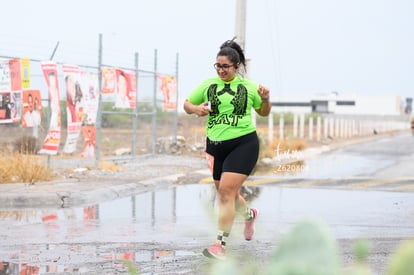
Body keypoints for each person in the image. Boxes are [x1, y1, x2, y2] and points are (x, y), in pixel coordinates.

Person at [183, 38, 271, 260]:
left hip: (243, 144)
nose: (221, 70)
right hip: (214, 147)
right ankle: (249, 215)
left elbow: (264, 112)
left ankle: (219, 245)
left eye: (226, 67)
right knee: (228, 194)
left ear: (237, 66)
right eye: (218, 66)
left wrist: (266, 99)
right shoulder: (208, 84)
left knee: (225, 193)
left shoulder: (250, 87)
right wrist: (196, 109)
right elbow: (186, 104)